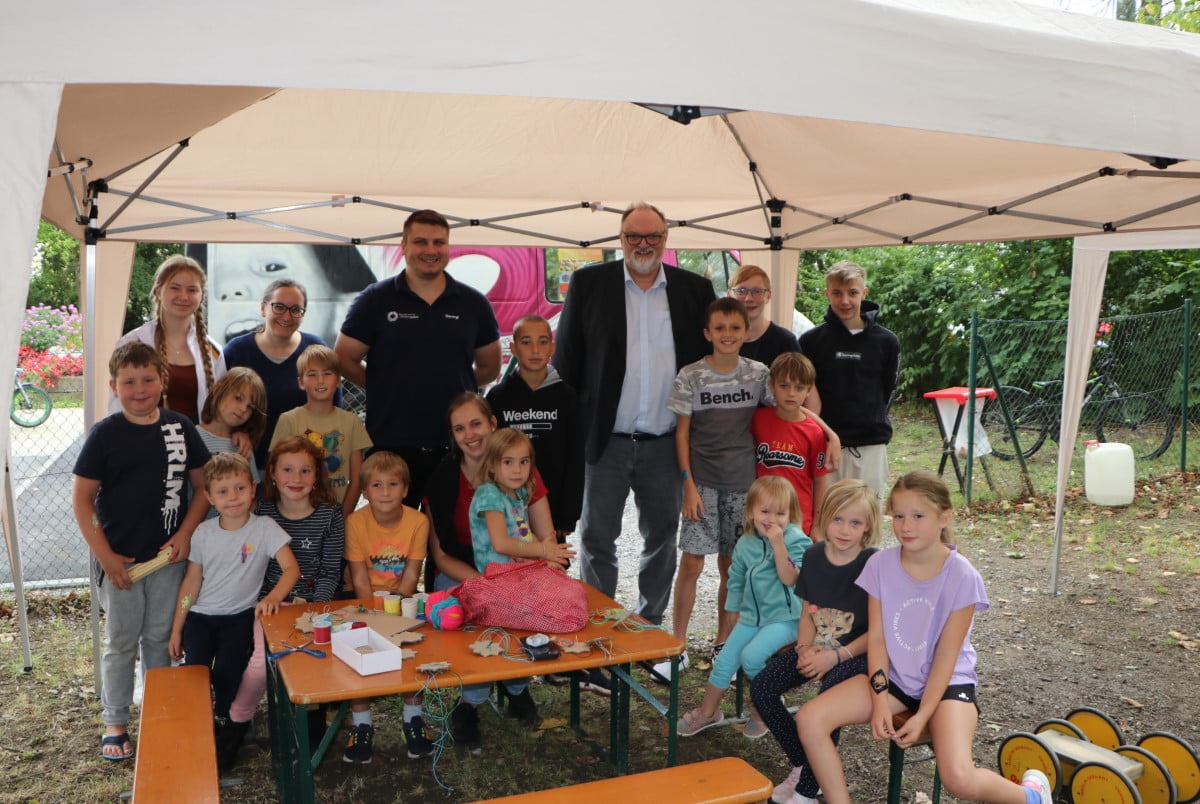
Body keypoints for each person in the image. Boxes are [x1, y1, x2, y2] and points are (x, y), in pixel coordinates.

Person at [795, 471, 1052, 804]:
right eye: (899, 516)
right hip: (898, 679)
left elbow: (947, 656)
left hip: (948, 685)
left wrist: (923, 715)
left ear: (944, 517)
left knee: (959, 779)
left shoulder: (962, 576)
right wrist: (878, 698)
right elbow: (878, 641)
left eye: (918, 516)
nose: (906, 526)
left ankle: (1032, 796)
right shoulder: (880, 565)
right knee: (810, 719)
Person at [553, 201, 715, 627]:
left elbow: (710, 361)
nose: (643, 244)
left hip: (666, 444)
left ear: (665, 238)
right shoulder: (589, 284)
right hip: (605, 442)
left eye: (653, 236)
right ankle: (599, 625)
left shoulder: (694, 291)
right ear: (620, 239)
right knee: (596, 539)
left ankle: (648, 625)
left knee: (661, 539)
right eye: (633, 237)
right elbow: (566, 363)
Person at [74, 341, 212, 761]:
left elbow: (204, 488)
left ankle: (158, 710)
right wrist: (106, 557)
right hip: (122, 564)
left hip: (168, 558)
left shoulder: (180, 428)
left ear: (162, 380)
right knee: (121, 641)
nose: (139, 389)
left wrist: (186, 534)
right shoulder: (105, 435)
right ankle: (115, 720)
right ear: (114, 386)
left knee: (159, 638)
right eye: (129, 381)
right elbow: (82, 501)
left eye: (148, 379)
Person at [336, 209, 501, 507]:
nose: (430, 250)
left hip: (455, 448)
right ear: (404, 245)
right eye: (421, 242)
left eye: (439, 242)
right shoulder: (375, 299)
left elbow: (490, 367)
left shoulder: (473, 303)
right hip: (390, 446)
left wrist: (454, 388)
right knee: (392, 549)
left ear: (448, 247)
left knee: (447, 547)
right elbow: (344, 358)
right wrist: (381, 385)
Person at [750, 479, 881, 804]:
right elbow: (808, 612)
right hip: (818, 647)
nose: (844, 529)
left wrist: (834, 659)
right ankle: (808, 763)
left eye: (855, 522)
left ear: (867, 528)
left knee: (827, 698)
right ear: (824, 517)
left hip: (857, 653)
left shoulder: (874, 564)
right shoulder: (813, 555)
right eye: (837, 519)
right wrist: (804, 648)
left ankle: (807, 790)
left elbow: (879, 634)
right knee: (763, 686)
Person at [168, 452, 300, 773]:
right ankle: (198, 728)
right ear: (210, 497)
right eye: (223, 491)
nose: (233, 498)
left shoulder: (265, 528)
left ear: (253, 489)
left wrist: (273, 598)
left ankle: (227, 730)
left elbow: (291, 569)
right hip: (200, 618)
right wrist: (177, 628)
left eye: (240, 488)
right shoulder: (202, 533)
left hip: (240, 618)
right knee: (196, 674)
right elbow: (191, 583)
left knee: (229, 674)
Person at [663, 297, 770, 676]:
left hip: (744, 485)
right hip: (703, 483)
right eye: (720, 328)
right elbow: (681, 434)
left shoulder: (759, 374)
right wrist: (687, 485)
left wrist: (828, 434)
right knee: (692, 562)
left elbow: (791, 409)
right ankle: (676, 644)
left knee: (731, 566)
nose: (727, 335)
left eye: (735, 328)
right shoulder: (691, 375)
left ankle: (724, 644)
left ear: (746, 332)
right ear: (708, 333)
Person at [451, 429, 572, 745]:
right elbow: (501, 542)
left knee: (522, 637)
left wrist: (546, 557)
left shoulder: (518, 494)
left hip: (517, 579)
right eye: (508, 462)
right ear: (492, 466)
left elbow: (522, 538)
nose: (517, 470)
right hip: (494, 586)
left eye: (523, 462)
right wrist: (545, 551)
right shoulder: (489, 494)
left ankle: (517, 690)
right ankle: (467, 707)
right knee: (490, 647)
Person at [226, 436, 345, 753]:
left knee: (317, 663)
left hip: (314, 606)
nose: (296, 478)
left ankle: (312, 730)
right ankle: (235, 726)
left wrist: (314, 610)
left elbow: (331, 571)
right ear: (273, 476)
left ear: (317, 476)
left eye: (306, 470)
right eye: (288, 470)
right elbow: (247, 559)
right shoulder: (261, 511)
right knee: (258, 667)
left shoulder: (330, 514)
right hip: (269, 605)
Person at [676, 477, 810, 740]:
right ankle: (708, 713)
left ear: (790, 514)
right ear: (750, 512)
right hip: (752, 617)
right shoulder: (746, 543)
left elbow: (790, 579)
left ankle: (767, 705)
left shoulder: (796, 540)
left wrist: (778, 544)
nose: (772, 519)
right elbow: (735, 581)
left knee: (751, 657)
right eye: (765, 511)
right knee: (725, 661)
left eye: (780, 513)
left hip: (788, 618)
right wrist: (733, 617)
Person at [343, 451, 431, 764]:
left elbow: (411, 572)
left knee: (413, 653)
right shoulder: (355, 522)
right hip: (365, 601)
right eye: (376, 485)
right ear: (364, 492)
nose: (385, 492)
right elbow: (358, 577)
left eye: (393, 484)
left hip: (402, 599)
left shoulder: (418, 521)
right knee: (361, 654)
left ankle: (413, 718)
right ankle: (362, 724)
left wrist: (393, 614)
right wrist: (375, 615)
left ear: (405, 489)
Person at [798, 261, 900, 497]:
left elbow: (887, 389)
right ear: (827, 294)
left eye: (852, 293)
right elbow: (805, 395)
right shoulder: (810, 341)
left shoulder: (887, 341)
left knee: (866, 522)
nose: (845, 301)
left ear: (864, 293)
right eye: (837, 293)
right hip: (824, 446)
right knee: (826, 521)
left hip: (870, 447)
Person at [223, 278, 341, 472]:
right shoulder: (237, 351)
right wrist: (235, 432)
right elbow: (218, 406)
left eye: (296, 309)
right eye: (279, 307)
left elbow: (334, 407)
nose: (287, 316)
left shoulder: (315, 349)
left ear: (303, 315)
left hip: (304, 468)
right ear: (263, 308)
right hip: (250, 465)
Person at [485, 314, 584, 539]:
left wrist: (569, 514)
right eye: (526, 342)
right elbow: (488, 455)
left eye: (542, 342)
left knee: (550, 569)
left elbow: (576, 458)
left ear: (552, 347)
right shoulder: (497, 398)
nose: (535, 350)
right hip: (506, 508)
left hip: (554, 507)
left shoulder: (567, 397)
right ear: (513, 348)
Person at [112, 254, 225, 422]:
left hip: (195, 444)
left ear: (201, 295)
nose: (184, 296)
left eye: (192, 290)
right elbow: (115, 405)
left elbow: (223, 407)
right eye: (175, 288)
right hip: (145, 442)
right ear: (158, 292)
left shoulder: (213, 351)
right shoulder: (131, 343)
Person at [270, 344, 372, 518]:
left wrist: (341, 519)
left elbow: (356, 480)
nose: (320, 380)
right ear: (301, 382)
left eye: (327, 373)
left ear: (339, 380)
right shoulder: (289, 420)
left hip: (337, 515)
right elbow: (276, 472)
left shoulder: (351, 422)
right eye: (312, 374)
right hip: (295, 516)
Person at [751, 353, 832, 539]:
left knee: (794, 567)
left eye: (799, 387)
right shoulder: (758, 420)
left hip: (798, 520)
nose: (791, 393)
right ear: (772, 386)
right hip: (763, 517)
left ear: (809, 390)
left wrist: (818, 525)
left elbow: (820, 480)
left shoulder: (814, 432)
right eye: (784, 385)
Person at [197, 367, 268, 515]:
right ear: (217, 389)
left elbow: (251, 499)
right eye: (238, 398)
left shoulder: (243, 446)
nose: (243, 409)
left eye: (250, 407)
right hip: (197, 532)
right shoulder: (191, 436)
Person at [729, 264, 801, 369]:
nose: (749, 298)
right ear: (729, 295)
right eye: (741, 291)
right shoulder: (720, 341)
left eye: (757, 291)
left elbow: (802, 384)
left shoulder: (785, 343)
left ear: (768, 296)